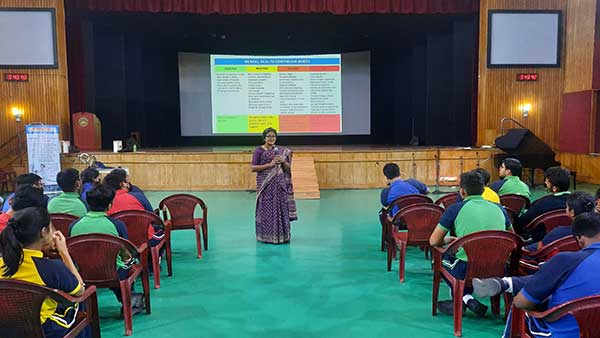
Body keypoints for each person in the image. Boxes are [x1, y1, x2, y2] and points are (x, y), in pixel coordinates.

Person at [473, 212, 600, 338]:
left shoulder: (565, 259)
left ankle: (506, 283)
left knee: (524, 301)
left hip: (565, 332)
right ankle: (507, 283)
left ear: (579, 239)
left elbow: (522, 303)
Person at [429, 171, 512, 317]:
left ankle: (463, 298)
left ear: (462, 191)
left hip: (466, 269)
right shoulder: (499, 208)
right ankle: (467, 299)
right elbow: (512, 237)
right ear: (483, 189)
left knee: (439, 260)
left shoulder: (454, 209)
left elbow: (434, 241)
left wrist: (447, 240)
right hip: (499, 268)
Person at [0, 207, 84, 338]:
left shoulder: (2, 262)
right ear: (44, 232)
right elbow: (80, 291)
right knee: (80, 303)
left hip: (6, 327)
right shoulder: (51, 268)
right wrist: (64, 253)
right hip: (42, 329)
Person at [69, 184, 144, 313]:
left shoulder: (74, 225)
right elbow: (126, 254)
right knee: (128, 263)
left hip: (83, 273)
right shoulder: (117, 225)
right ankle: (129, 299)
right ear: (109, 205)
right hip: (114, 273)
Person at [251, 127, 297, 244]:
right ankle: (266, 236)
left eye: (273, 136)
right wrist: (270, 164)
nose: (271, 139)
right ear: (264, 138)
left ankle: (283, 236)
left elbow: (287, 168)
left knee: (281, 209)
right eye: (269, 136)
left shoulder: (281, 151)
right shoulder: (259, 151)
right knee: (266, 210)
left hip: (280, 186)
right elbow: (253, 168)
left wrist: (283, 161)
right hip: (266, 186)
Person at [104, 169, 164, 247]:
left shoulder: (105, 201)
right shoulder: (138, 196)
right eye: (127, 181)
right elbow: (152, 217)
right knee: (163, 230)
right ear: (123, 184)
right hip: (145, 239)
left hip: (119, 242)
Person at [525, 191, 596, 251]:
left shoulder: (558, 233)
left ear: (572, 213)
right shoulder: (596, 233)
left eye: (567, 207)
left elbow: (540, 249)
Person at [516, 167, 571, 240]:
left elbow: (523, 221)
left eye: (547, 182)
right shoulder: (576, 200)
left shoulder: (543, 203)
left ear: (554, 188)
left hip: (543, 241)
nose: (545, 183)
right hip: (569, 239)